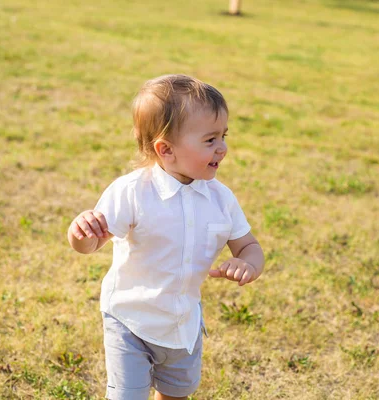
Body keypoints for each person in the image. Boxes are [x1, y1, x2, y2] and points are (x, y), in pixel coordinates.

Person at [67, 74, 265, 400]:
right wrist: (80, 231)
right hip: (130, 321)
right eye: (210, 140)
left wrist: (249, 264)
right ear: (166, 149)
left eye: (224, 136)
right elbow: (90, 244)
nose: (223, 148)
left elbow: (248, 245)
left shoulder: (221, 199)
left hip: (182, 325)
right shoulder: (132, 192)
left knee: (176, 394)